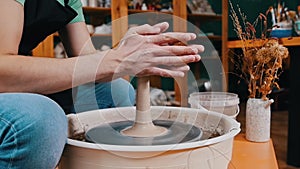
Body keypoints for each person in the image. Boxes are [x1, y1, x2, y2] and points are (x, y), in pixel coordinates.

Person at [0, 0, 204, 168]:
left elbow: (91, 67)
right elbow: (3, 72)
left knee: (115, 90)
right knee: (43, 119)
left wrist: (122, 54)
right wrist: (114, 59)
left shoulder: (70, 2)